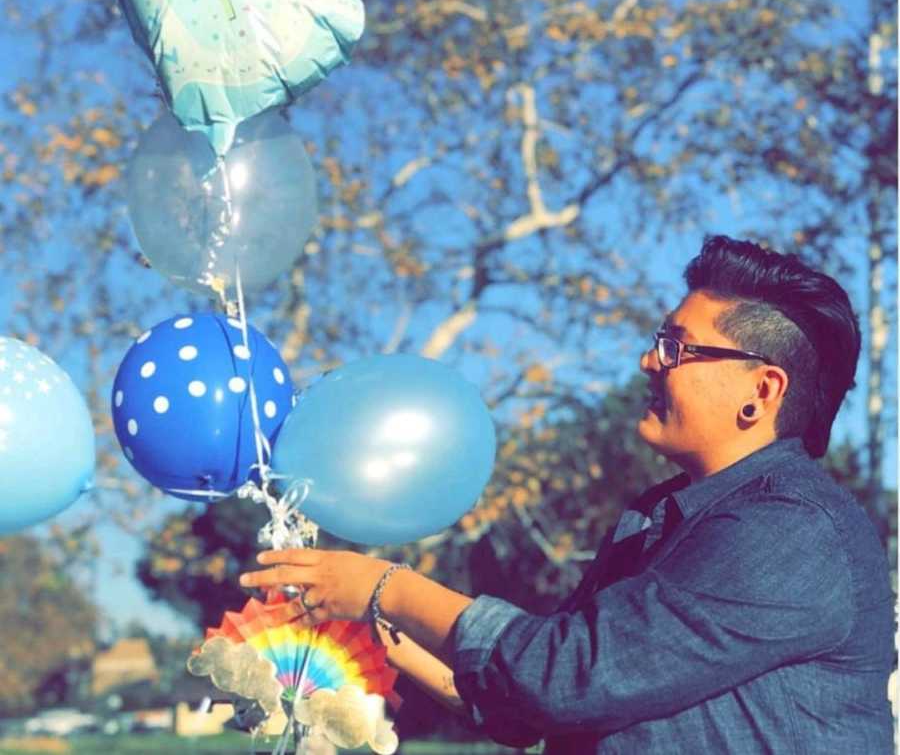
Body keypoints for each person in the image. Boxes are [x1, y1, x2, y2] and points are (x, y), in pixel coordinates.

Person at [240, 235, 895, 753]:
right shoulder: (655, 525)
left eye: (676, 347)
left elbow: (572, 676)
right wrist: (387, 633)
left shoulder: (791, 529)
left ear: (762, 391)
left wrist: (389, 586)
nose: (649, 361)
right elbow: (532, 710)